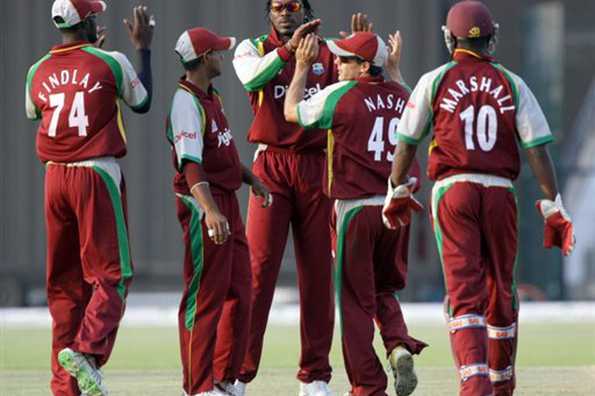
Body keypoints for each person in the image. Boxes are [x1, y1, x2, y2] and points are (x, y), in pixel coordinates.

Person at [384, 1, 575, 395]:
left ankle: (475, 384)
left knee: (463, 291)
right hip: (500, 193)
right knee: (501, 289)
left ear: (450, 38)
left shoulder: (435, 79)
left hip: (454, 190)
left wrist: (396, 188)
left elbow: (406, 143)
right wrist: (554, 204)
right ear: (493, 38)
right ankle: (501, 384)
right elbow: (537, 149)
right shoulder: (512, 82)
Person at [232, 2, 374, 395]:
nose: (284, 12)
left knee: (316, 275)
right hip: (271, 168)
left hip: (317, 167)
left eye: (293, 5)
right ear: (269, 13)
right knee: (258, 273)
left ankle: (314, 377)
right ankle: (239, 374)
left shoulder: (329, 51)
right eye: (277, 6)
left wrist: (362, 50)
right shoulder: (254, 48)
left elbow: (359, 87)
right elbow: (249, 80)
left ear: (307, 10)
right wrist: (287, 51)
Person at [284, 32, 427, 396]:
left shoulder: (339, 95)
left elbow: (291, 112)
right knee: (385, 288)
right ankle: (396, 344)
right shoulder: (403, 95)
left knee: (353, 303)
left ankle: (367, 385)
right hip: (397, 208)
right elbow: (418, 115)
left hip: (355, 210)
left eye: (345, 60)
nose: (337, 64)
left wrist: (300, 68)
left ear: (364, 66)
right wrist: (394, 71)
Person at [24, 1, 154, 395]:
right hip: (94, 173)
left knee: (64, 288)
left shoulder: (36, 70)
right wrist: (142, 50)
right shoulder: (110, 61)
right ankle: (87, 350)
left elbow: (36, 111)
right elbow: (142, 101)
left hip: (53, 178)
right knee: (113, 277)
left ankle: (65, 388)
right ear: (91, 22)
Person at [167, 27, 271, 396]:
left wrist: (250, 179)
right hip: (204, 205)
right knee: (205, 296)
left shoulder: (212, 97)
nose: (222, 57)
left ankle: (224, 379)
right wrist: (210, 212)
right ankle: (197, 386)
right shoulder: (186, 103)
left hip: (226, 201)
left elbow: (222, 154)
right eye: (218, 52)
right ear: (205, 57)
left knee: (240, 291)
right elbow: (191, 166)